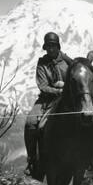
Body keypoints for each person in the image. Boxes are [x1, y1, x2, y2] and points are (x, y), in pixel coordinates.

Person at [24, 32, 73, 176]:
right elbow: (43, 86)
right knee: (30, 122)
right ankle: (32, 160)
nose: (51, 49)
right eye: (48, 47)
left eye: (53, 46)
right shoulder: (42, 63)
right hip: (46, 99)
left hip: (67, 99)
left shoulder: (67, 61)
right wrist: (59, 91)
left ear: (58, 46)